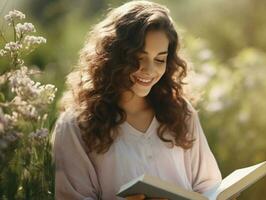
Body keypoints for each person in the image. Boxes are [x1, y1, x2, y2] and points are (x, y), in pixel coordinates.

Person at [52, 1, 222, 199]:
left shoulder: (181, 113)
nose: (149, 70)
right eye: (139, 57)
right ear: (113, 55)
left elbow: (208, 185)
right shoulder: (75, 126)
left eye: (160, 59)